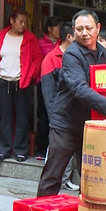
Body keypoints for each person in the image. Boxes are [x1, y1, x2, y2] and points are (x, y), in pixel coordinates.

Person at [36, 10, 106, 197]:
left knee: (91, 175)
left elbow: (105, 85)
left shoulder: (103, 53)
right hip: (66, 123)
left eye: (88, 28)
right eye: (79, 29)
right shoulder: (72, 54)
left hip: (90, 123)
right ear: (73, 31)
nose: (84, 33)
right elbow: (79, 88)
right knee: (53, 175)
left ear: (98, 28)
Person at [0, 8, 43, 162]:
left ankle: (20, 150)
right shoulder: (0, 36)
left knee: (22, 117)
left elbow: (38, 59)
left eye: (25, 22)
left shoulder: (30, 38)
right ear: (12, 21)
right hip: (3, 80)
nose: (23, 25)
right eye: (20, 21)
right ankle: (4, 150)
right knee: (4, 117)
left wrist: (30, 75)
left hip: (22, 82)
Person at [39, 22, 79, 191]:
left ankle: (65, 179)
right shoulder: (51, 59)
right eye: (78, 32)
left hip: (74, 114)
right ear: (69, 37)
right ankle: (55, 182)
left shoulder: (77, 56)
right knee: (56, 152)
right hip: (59, 116)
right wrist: (54, 117)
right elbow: (48, 94)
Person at [35, 15, 63, 159]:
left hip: (60, 84)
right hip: (44, 83)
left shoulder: (63, 43)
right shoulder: (40, 43)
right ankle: (42, 148)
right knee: (44, 116)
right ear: (49, 28)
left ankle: (54, 148)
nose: (59, 30)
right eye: (57, 27)